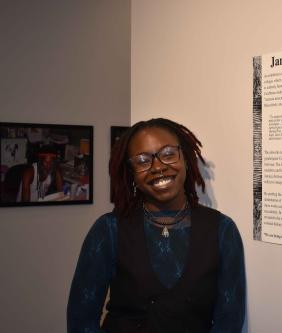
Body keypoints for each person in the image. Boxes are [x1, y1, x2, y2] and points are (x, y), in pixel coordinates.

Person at [67, 118, 246, 332]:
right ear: (131, 173)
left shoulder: (222, 230)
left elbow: (230, 322)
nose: (158, 167)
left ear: (186, 158)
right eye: (142, 161)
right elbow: (81, 320)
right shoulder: (108, 230)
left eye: (168, 154)